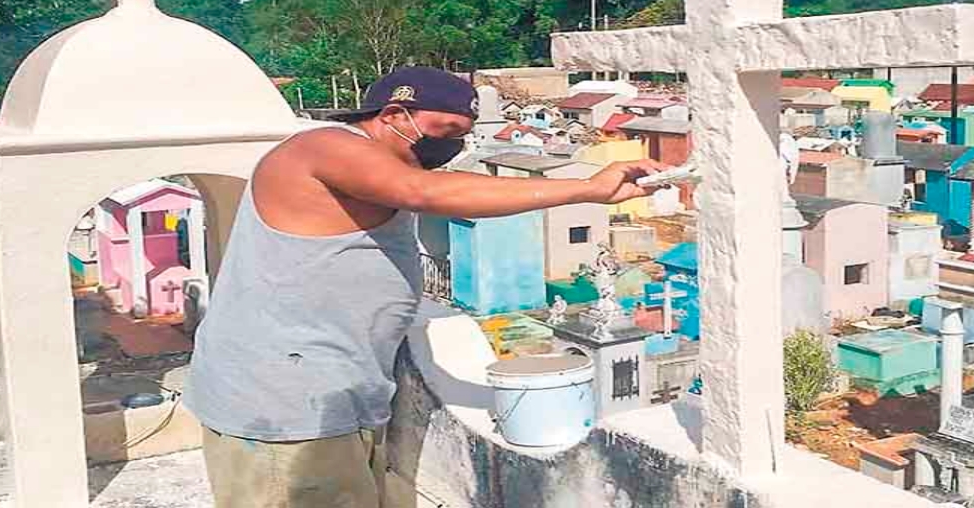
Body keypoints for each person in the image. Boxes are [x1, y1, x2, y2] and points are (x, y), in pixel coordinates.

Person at [184, 67, 667, 508]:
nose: (452, 147)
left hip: (331, 393)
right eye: (445, 133)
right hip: (282, 407)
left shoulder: (375, 168)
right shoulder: (324, 147)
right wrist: (588, 187)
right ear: (394, 115)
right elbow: (427, 193)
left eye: (463, 135)